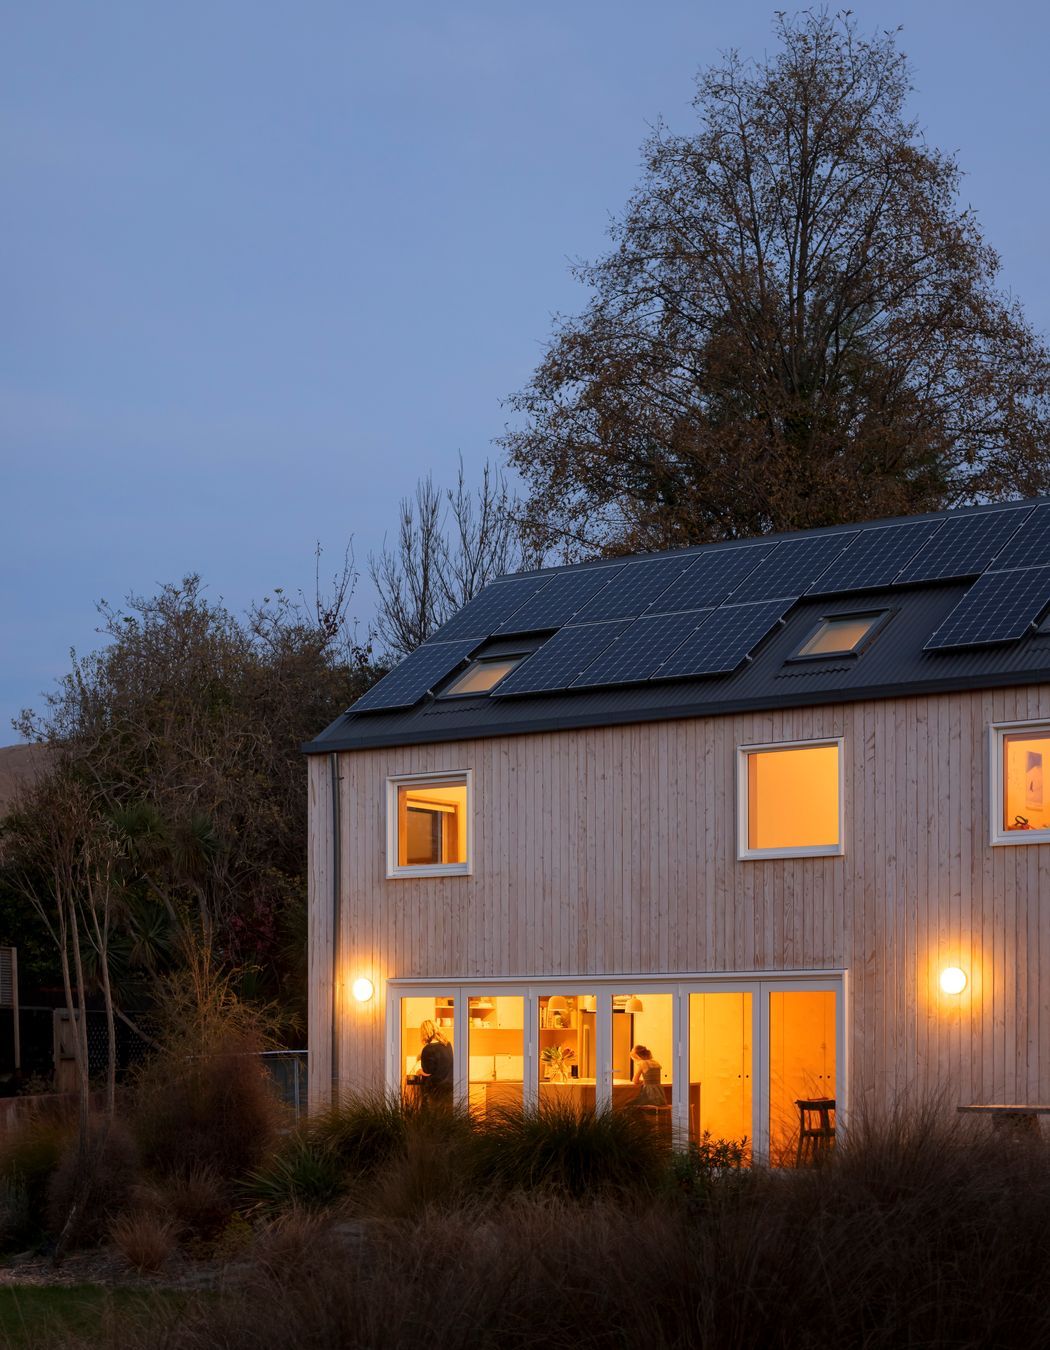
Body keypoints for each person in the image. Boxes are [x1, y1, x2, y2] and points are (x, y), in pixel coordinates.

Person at [416, 1019, 453, 1105]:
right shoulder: (447, 1044)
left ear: (424, 1033)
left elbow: (427, 1072)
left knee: (435, 1116)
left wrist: (419, 1071)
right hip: (449, 1087)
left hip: (435, 1090)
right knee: (447, 1115)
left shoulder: (428, 1049)